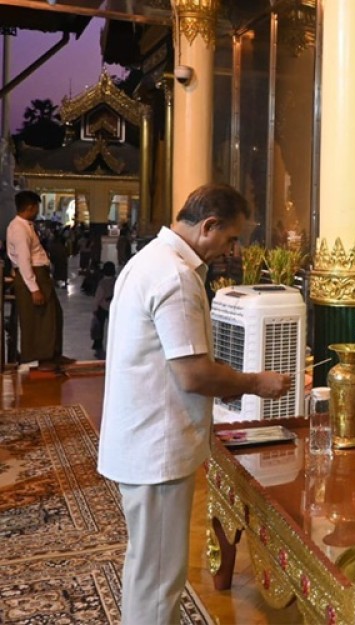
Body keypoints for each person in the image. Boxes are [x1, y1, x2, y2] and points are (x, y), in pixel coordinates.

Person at [97, 183, 292, 625]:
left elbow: (178, 360)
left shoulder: (151, 260)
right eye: (231, 238)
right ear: (209, 226)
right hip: (156, 448)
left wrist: (225, 379)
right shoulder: (176, 276)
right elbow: (193, 374)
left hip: (140, 438)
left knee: (147, 566)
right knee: (162, 575)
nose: (231, 249)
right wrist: (254, 383)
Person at [6, 190, 72, 370]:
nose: (37, 211)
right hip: (32, 276)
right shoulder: (18, 228)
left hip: (38, 273)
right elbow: (24, 260)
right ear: (30, 207)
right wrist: (34, 288)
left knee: (53, 314)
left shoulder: (26, 225)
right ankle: (40, 357)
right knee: (37, 318)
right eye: (36, 207)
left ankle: (53, 353)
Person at [90, 261, 116, 359]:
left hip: (102, 307)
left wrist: (94, 309)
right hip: (113, 307)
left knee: (99, 328)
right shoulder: (116, 281)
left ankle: (98, 346)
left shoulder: (102, 283)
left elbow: (98, 297)